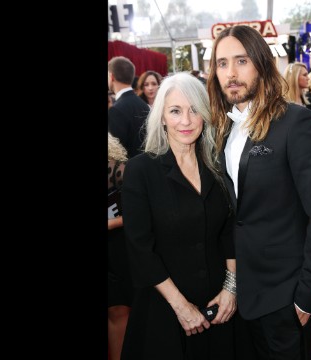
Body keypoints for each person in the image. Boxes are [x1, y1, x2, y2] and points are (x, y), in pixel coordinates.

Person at [207, 25, 311, 360]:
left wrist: (306, 297)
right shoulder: (223, 129)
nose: (231, 73)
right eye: (222, 64)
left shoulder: (295, 123)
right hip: (242, 297)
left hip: (285, 296)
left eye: (241, 60)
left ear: (262, 64)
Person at [120, 72, 237, 360]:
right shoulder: (140, 171)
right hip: (165, 309)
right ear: (161, 117)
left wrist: (231, 289)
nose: (185, 120)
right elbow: (139, 248)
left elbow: (229, 232)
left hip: (219, 307)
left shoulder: (218, 167)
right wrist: (181, 306)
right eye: (175, 111)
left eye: (194, 110)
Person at [108, 132, 134, 360]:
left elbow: (140, 214)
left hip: (119, 250)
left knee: (119, 310)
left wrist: (111, 223)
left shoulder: (118, 170)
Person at [108, 56, 151, 158]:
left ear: (112, 77)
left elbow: (116, 152)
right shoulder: (144, 105)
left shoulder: (116, 110)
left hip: (128, 170)